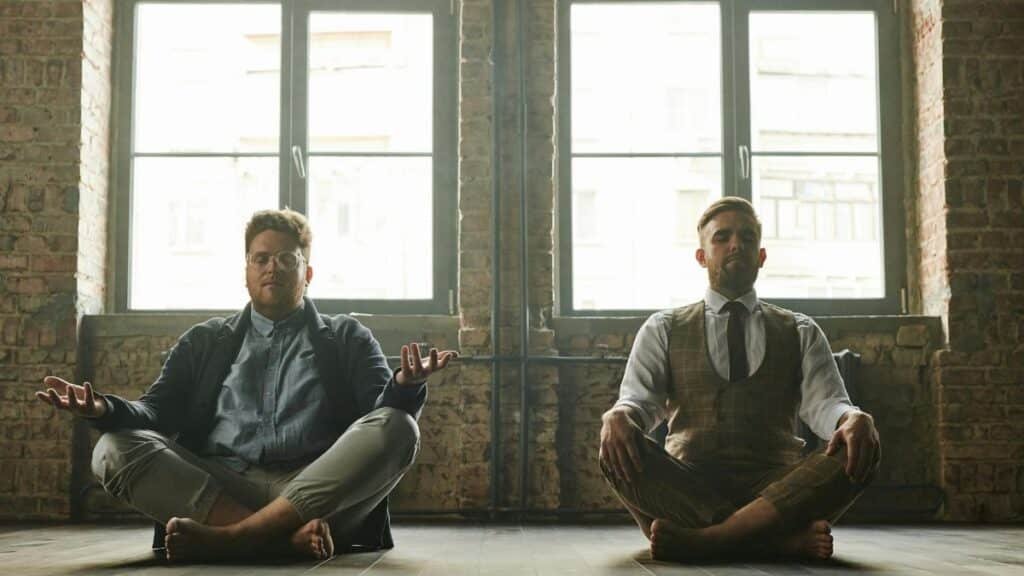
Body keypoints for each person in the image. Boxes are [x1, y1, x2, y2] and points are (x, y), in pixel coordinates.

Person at [36, 209, 457, 562]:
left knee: (399, 426)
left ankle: (234, 539)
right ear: (246, 271)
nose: (273, 267)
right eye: (261, 258)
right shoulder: (204, 340)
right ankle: (279, 539)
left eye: (287, 260)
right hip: (219, 486)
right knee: (112, 449)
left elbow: (378, 411)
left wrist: (404, 384)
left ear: (307, 272)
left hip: (312, 489)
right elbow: (156, 411)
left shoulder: (347, 336)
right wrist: (104, 411)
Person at [598, 197, 880, 562]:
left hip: (779, 488)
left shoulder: (799, 330)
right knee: (614, 443)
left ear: (761, 256)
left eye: (747, 237)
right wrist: (619, 415)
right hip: (690, 484)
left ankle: (709, 540)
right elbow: (640, 401)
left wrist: (851, 418)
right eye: (722, 237)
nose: (736, 245)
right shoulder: (663, 328)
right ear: (701, 256)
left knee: (861, 445)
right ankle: (773, 542)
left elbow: (825, 404)